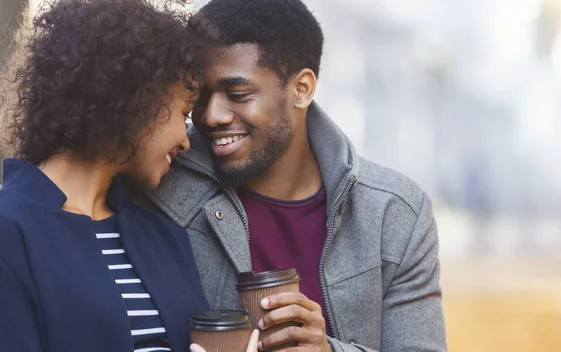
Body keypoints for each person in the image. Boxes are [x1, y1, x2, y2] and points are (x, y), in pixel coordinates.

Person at [142, 0, 447, 351]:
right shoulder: (160, 186)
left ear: (301, 89)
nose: (211, 116)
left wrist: (329, 350)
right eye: (201, 96)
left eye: (238, 95)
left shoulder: (395, 214)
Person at [0, 0, 260, 351]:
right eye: (183, 115)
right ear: (139, 100)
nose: (186, 141)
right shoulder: (9, 228)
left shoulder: (162, 235)